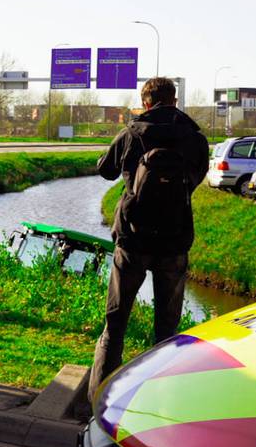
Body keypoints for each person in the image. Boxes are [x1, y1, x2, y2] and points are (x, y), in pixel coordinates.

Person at [88, 77, 209, 403]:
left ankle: (98, 402)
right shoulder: (195, 138)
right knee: (167, 333)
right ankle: (158, 403)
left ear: (145, 102)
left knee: (115, 325)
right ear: (174, 100)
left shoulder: (132, 133)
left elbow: (106, 171)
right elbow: (196, 178)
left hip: (133, 239)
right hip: (174, 240)